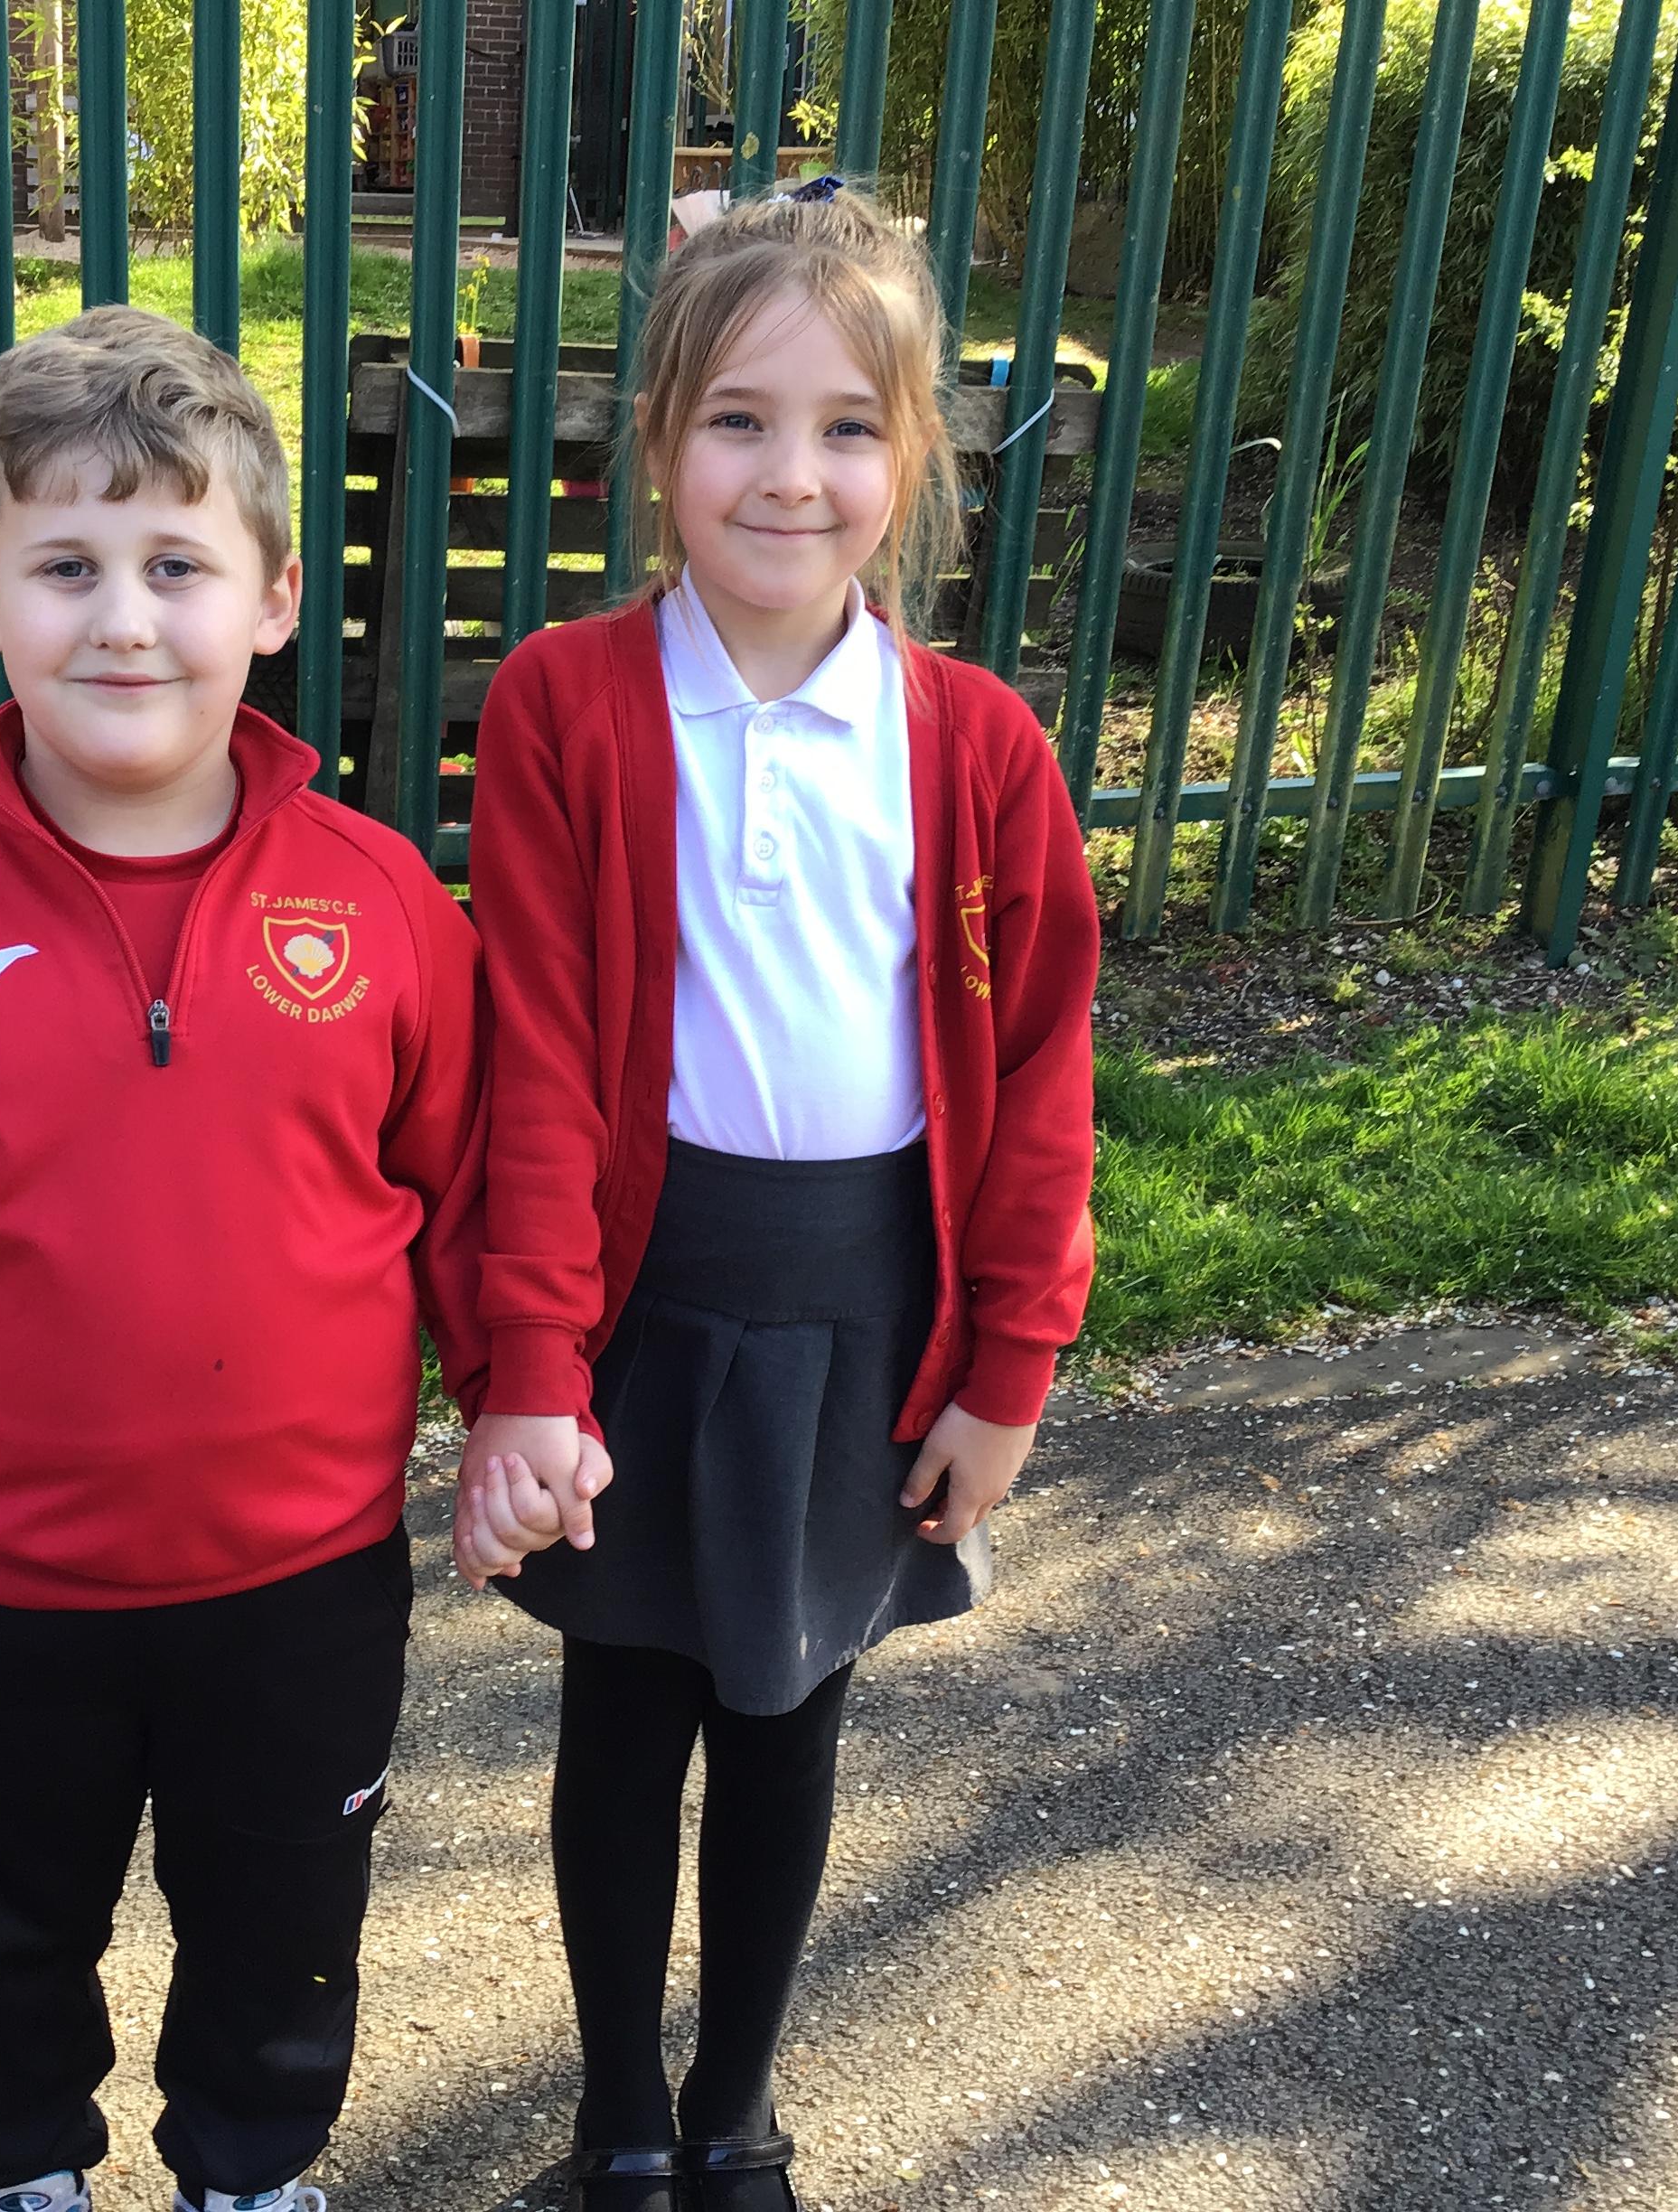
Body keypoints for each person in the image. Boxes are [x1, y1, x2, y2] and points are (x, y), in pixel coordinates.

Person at [0, 304, 493, 2212]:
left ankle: (252, 2174)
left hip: (302, 1585)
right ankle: (22, 2178)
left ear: (274, 601)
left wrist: (523, 1403)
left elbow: (473, 1200)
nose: (124, 621)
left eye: (177, 565)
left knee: (282, 1946)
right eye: (66, 566)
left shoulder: (383, 906)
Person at [455, 183, 1101, 2212]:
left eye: (844, 427)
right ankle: (618, 2123)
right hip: (639, 1301)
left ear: (912, 463)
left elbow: (1040, 1077)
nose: (789, 475)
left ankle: (734, 2116)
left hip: (859, 1309)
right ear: (658, 440)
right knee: (621, 1716)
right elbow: (535, 1060)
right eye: (737, 419)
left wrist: (1008, 1369)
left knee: (789, 1713)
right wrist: (529, 1366)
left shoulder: (977, 746)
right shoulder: (566, 704)